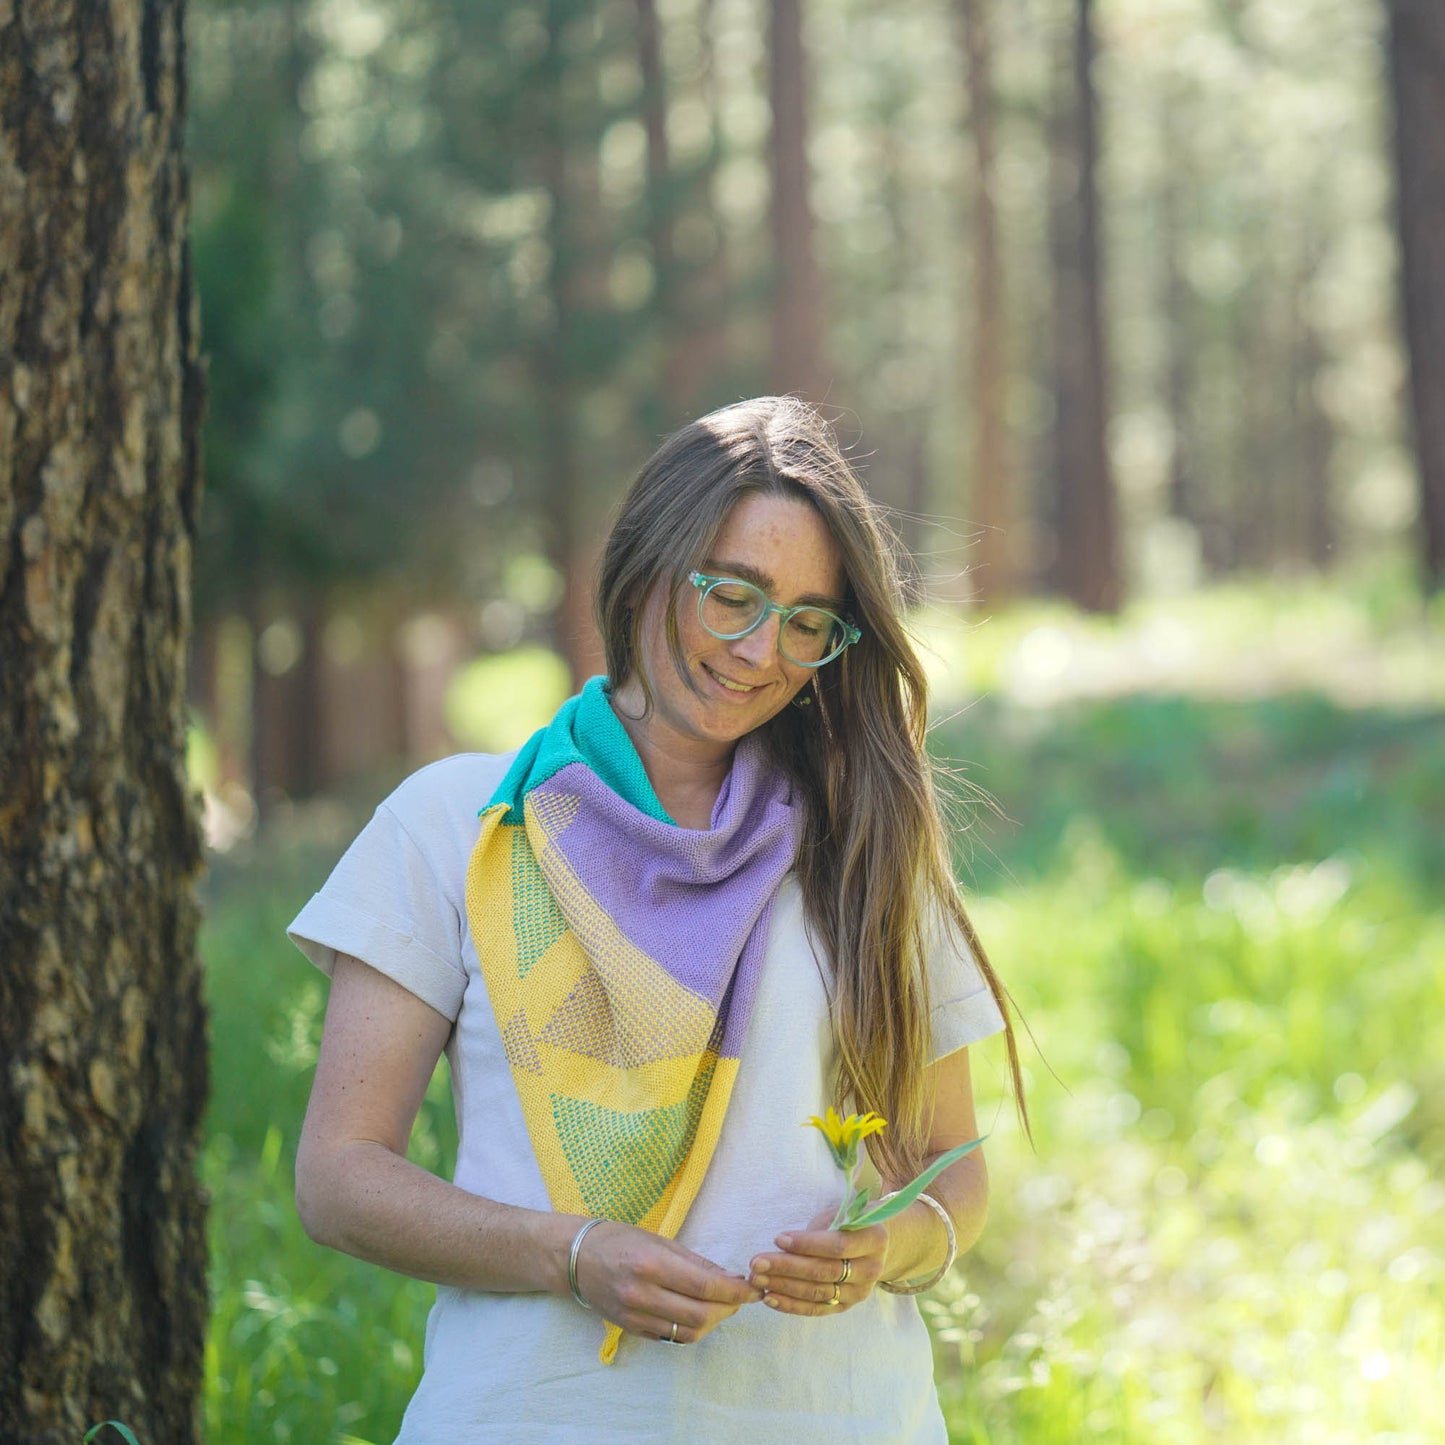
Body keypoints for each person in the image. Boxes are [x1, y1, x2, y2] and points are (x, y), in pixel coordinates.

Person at [288, 396, 1025, 1443]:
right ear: (644, 569)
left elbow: (948, 1168)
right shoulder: (459, 824)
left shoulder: (862, 844)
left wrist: (885, 1251)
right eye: (732, 595)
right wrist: (572, 1250)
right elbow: (339, 1175)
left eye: (806, 620)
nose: (761, 649)